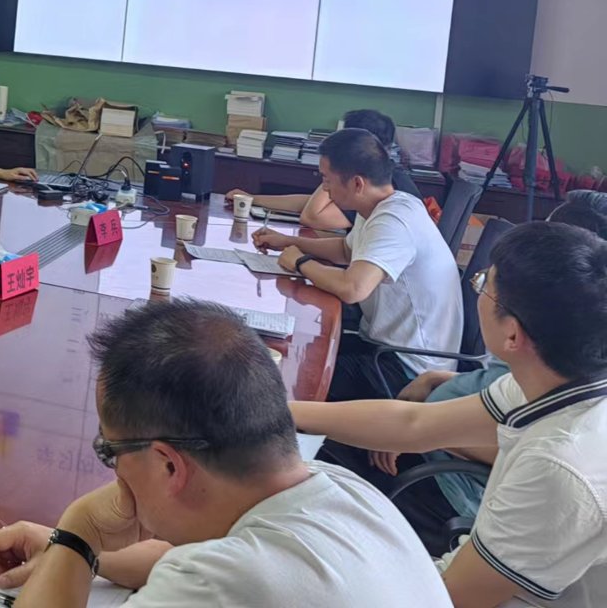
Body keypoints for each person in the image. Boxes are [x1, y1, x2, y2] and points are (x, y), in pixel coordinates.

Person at [0, 299, 450, 607]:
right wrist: (87, 552)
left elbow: (209, 574)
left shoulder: (221, 582)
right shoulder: (346, 491)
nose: (115, 476)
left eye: (110, 451)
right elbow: (178, 559)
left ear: (168, 464)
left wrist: (77, 532)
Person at [292, 221, 607, 606]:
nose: (477, 291)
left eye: (483, 285)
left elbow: (450, 597)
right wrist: (281, 412)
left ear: (513, 335)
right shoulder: (554, 380)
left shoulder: (560, 465)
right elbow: (414, 424)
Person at [365, 198, 607, 537]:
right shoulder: (544, 359)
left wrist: (433, 435)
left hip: (450, 484)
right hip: (430, 438)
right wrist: (437, 382)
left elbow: (521, 450)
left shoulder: (553, 366)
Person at [252, 127, 461, 401]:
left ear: (357, 184)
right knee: (289, 346)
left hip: (409, 370)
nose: (324, 188)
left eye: (327, 180)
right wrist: (289, 242)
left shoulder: (394, 221)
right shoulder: (381, 207)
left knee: (286, 379)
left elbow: (353, 289)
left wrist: (300, 262)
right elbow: (346, 251)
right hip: (382, 347)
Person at [226, 108, 421, 230]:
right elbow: (311, 203)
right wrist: (253, 199)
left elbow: (313, 217)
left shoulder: (379, 185)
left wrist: (332, 171)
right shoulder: (380, 172)